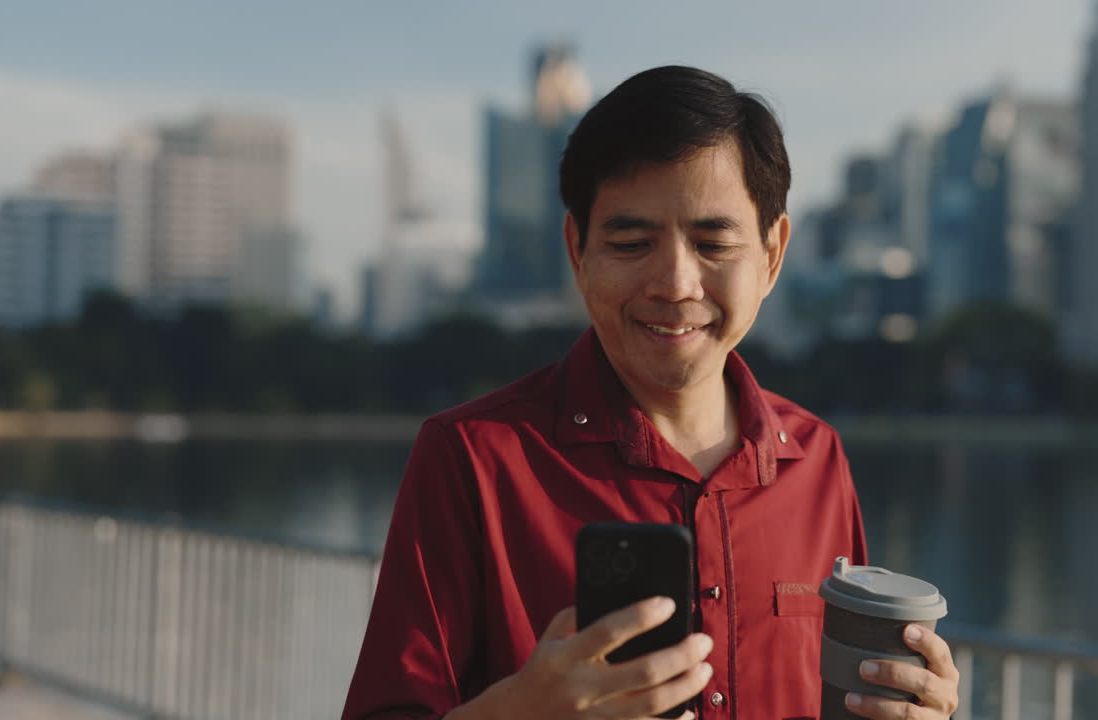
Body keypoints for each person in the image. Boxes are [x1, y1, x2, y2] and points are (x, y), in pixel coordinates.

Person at [343, 66, 959, 720]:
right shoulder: (471, 458)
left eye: (713, 242)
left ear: (774, 254)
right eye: (632, 243)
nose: (674, 283)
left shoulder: (816, 456)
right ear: (577, 251)